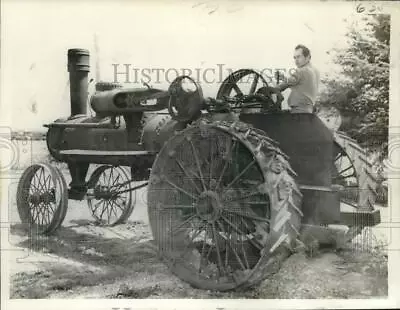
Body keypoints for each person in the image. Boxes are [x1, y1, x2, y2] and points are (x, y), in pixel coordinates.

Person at [274, 44, 320, 113]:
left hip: (299, 111)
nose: (296, 60)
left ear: (307, 57)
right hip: (308, 109)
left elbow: (287, 83)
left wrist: (273, 89)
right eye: (294, 58)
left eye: (298, 57)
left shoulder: (302, 70)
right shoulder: (315, 71)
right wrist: (282, 78)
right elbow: (298, 84)